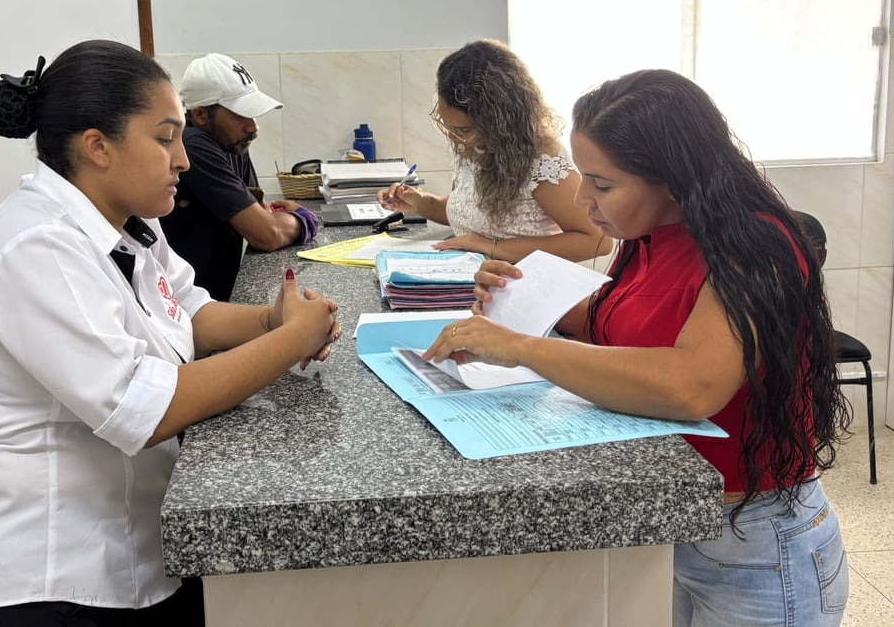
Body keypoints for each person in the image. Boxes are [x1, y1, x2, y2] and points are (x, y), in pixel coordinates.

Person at [0, 40, 341, 626]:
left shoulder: (132, 220)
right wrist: (289, 342)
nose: (184, 160)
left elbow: (188, 312)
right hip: (42, 581)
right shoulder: (35, 246)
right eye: (165, 137)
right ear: (98, 146)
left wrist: (273, 317)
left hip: (134, 552)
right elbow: (142, 409)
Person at [423, 69, 851, 626]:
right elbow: (618, 326)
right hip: (670, 521)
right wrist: (516, 296)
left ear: (672, 179)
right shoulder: (649, 235)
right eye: (584, 178)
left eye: (602, 185)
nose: (582, 199)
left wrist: (522, 347)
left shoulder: (757, 245)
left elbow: (693, 384)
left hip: (755, 542)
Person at [377, 39, 611, 263]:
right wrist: (421, 203)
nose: (454, 137)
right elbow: (471, 217)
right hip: (470, 278)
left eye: (464, 129)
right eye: (448, 126)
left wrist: (492, 247)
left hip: (522, 286)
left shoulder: (542, 158)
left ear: (499, 121)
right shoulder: (471, 144)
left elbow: (598, 241)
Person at [159, 53, 319, 301]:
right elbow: (268, 234)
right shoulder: (193, 145)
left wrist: (274, 221)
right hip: (191, 308)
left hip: (220, 298)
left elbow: (262, 214)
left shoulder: (234, 144)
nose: (253, 126)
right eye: (240, 115)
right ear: (201, 115)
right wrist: (305, 219)